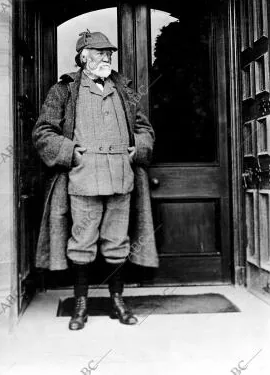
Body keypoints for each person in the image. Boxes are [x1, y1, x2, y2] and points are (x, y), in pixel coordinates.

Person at [32, 30, 158, 330]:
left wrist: (137, 149)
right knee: (82, 244)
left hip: (121, 178)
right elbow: (43, 133)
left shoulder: (125, 90)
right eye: (100, 52)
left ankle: (117, 300)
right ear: (83, 56)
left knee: (117, 242)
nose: (107, 57)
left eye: (109, 52)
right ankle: (80, 304)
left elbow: (145, 129)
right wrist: (71, 154)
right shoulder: (64, 91)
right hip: (82, 180)